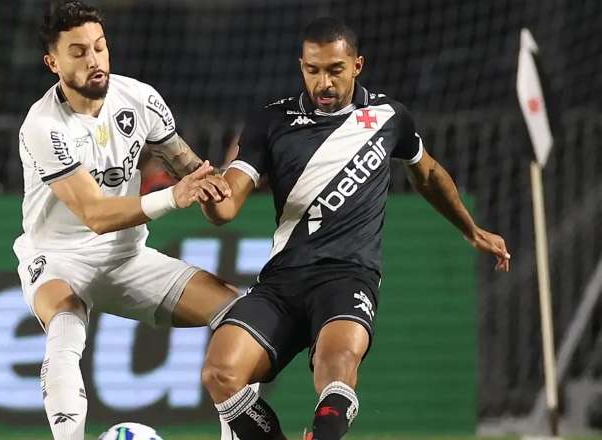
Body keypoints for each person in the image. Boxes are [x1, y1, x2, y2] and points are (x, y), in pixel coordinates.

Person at [198, 18, 511, 440]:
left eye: (334, 70)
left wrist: (471, 229)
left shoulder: (389, 117)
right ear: (301, 66)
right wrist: (212, 197)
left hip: (348, 275)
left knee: (336, 365)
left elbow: (429, 175)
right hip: (282, 281)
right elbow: (229, 204)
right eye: (312, 70)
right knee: (220, 372)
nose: (323, 82)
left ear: (357, 65)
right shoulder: (271, 122)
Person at [14, 2, 256, 439]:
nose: (95, 61)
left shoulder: (140, 100)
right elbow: (95, 215)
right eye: (78, 52)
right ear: (53, 63)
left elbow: (199, 181)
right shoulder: (43, 126)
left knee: (243, 318)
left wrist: (224, 185)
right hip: (59, 260)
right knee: (65, 328)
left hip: (127, 258)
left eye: (100, 48)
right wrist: (173, 197)